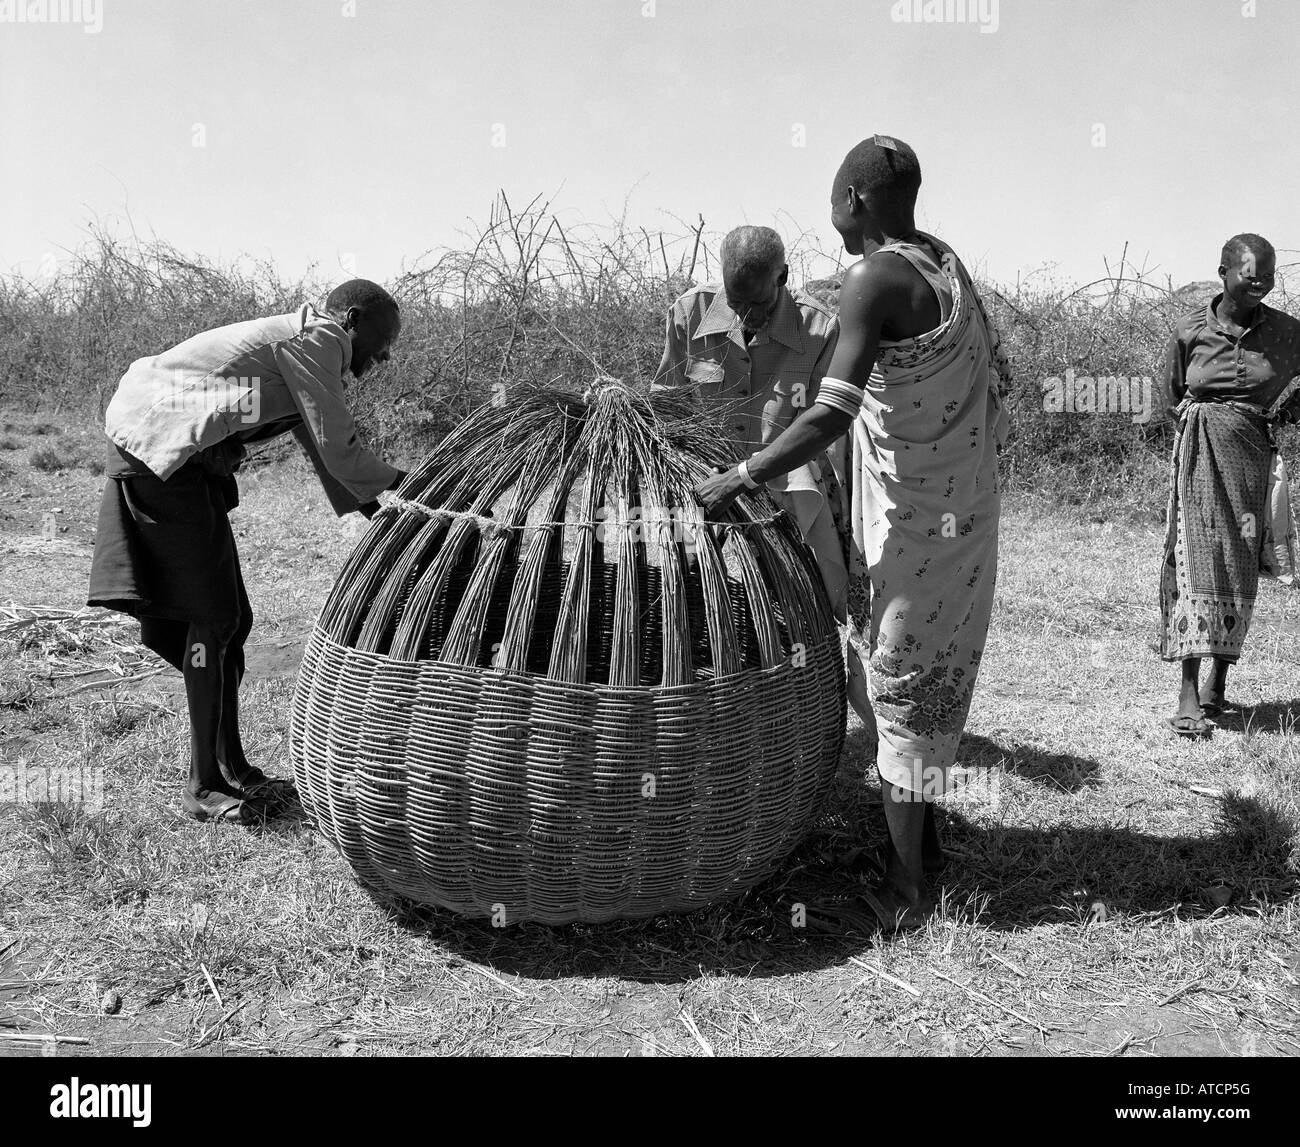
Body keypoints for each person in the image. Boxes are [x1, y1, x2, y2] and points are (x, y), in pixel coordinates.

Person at [696, 136, 1010, 931]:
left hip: (920, 527)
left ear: (855, 201)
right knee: (921, 682)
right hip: (959, 513)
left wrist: (745, 474)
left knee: (903, 687)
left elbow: (834, 408)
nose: (829, 210)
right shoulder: (944, 263)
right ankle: (925, 851)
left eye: (833, 196)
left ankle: (906, 895)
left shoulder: (872, 278)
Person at [87, 279, 408, 823]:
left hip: (181, 460)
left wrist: (383, 514)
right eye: (383, 339)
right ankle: (202, 785)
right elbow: (339, 447)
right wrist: (417, 484)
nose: (385, 354)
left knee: (233, 622)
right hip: (161, 458)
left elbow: (320, 445)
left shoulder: (308, 347)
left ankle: (233, 768)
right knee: (212, 620)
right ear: (352, 318)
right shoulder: (319, 338)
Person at [652, 225, 849, 614]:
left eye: (756, 303)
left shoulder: (820, 329)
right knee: (682, 594)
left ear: (783, 277)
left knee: (790, 606)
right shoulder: (688, 314)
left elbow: (817, 426)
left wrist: (744, 478)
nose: (745, 315)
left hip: (782, 490)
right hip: (701, 485)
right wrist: (692, 475)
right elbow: (667, 404)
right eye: (735, 301)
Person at [1160, 235, 1300, 737]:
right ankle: (1187, 691)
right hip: (1199, 455)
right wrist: (1204, 422)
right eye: (1249, 273)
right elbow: (1172, 393)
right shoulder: (1190, 328)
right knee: (1195, 561)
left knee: (1237, 568)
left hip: (1251, 457)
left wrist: (1284, 411)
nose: (1260, 282)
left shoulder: (1287, 333)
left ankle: (1220, 680)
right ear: (1223, 271)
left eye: (1268, 274)